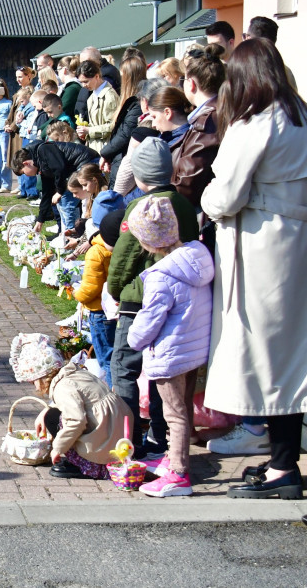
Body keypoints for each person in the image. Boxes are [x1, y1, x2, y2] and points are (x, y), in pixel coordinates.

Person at [200, 38, 307, 499]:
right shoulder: (300, 116)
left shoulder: (257, 122)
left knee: (267, 357)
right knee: (290, 354)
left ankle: (283, 467)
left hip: (262, 245)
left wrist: (207, 200)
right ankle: (282, 458)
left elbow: (225, 195)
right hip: (295, 241)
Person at [106, 138, 199, 459]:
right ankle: (161, 436)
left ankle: (128, 438)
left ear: (140, 176)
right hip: (178, 298)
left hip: (140, 299)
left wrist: (116, 291)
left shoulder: (141, 207)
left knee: (124, 367)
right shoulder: (185, 205)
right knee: (163, 371)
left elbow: (124, 258)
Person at [126, 197, 214, 497]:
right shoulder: (196, 259)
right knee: (183, 409)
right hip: (192, 349)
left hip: (170, 354)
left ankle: (178, 474)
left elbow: (150, 319)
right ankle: (176, 459)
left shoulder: (161, 276)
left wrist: (134, 338)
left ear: (147, 241)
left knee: (173, 414)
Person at [9, 334, 132, 480]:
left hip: (104, 447)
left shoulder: (62, 388)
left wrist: (57, 448)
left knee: (54, 418)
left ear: (41, 377)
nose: (34, 386)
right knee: (51, 413)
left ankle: (86, 465)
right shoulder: (75, 373)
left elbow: (76, 421)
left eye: (32, 381)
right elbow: (80, 400)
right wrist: (45, 410)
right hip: (119, 437)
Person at [172, 45, 225, 210]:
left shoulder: (208, 122)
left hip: (199, 212)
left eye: (184, 79)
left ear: (192, 84)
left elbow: (187, 186)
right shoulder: (216, 112)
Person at [73, 207, 122, 386]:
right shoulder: (125, 250)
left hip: (100, 311)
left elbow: (91, 287)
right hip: (119, 308)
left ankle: (113, 393)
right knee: (119, 355)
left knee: (107, 359)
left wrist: (78, 294)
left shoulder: (96, 252)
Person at [10, 138, 98, 234]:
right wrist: (40, 220)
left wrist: (59, 192)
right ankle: (65, 234)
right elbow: (47, 192)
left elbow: (60, 169)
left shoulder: (43, 150)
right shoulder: (40, 163)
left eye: (23, 172)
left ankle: (72, 235)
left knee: (66, 201)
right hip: (78, 166)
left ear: (26, 163)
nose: (26, 175)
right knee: (61, 202)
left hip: (87, 161)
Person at [97, 57, 146, 186]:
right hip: (120, 157)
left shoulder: (137, 104)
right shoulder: (132, 101)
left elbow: (125, 134)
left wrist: (105, 154)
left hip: (127, 159)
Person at [75, 59, 119, 154]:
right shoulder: (92, 95)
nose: (83, 85)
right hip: (94, 148)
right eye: (81, 82)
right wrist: (84, 133)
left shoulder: (109, 96)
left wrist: (89, 130)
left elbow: (113, 126)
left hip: (106, 150)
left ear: (97, 76)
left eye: (86, 81)